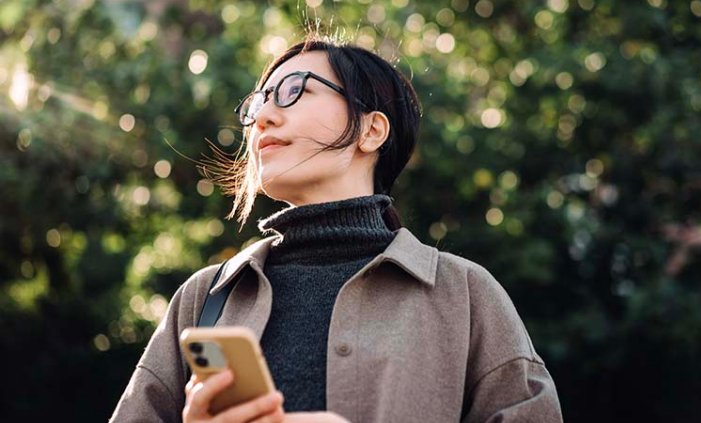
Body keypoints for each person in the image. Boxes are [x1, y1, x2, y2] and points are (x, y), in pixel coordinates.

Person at [110, 35, 563, 423]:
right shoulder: (203, 297)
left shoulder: (464, 293)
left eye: (291, 91)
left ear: (371, 130)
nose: (263, 117)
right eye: (258, 103)